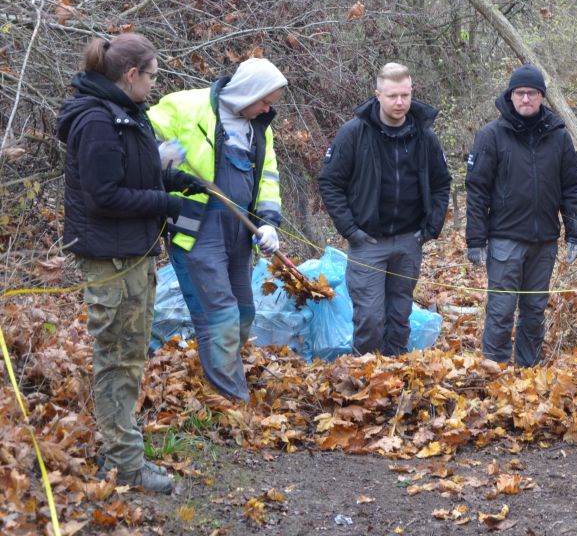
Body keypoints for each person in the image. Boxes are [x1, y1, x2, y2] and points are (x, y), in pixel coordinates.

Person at [58, 33, 205, 493]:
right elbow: (104, 197)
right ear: (130, 75)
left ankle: (118, 450)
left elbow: (131, 173)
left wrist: (174, 178)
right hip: (112, 262)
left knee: (130, 358)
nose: (154, 85)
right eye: (152, 76)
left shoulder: (127, 114)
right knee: (117, 361)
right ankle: (125, 465)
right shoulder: (97, 121)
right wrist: (165, 203)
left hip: (135, 255)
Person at [148, 58, 288, 403]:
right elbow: (136, 141)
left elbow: (268, 178)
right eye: (264, 101)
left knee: (243, 314)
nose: (267, 109)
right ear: (248, 92)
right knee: (220, 317)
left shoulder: (260, 128)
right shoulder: (185, 105)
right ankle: (230, 401)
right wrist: (159, 154)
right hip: (196, 227)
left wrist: (269, 223)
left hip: (240, 231)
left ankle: (220, 375)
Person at [318, 63, 451, 356]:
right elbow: (329, 183)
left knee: (399, 315)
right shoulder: (354, 134)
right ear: (378, 94)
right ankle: (362, 374)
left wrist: (431, 227)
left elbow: (442, 183)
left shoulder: (424, 137)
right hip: (368, 241)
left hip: (409, 240)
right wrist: (351, 231)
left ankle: (394, 375)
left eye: (405, 95)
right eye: (392, 96)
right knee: (369, 318)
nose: (400, 102)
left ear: (412, 93)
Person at [465, 65, 577, 367]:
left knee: (534, 310)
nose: (526, 99)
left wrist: (574, 231)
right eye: (520, 94)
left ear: (542, 97)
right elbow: (477, 190)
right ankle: (495, 369)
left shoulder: (558, 137)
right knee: (501, 310)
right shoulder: (491, 136)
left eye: (532, 94)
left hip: (544, 239)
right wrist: (476, 239)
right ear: (511, 96)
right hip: (505, 238)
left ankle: (528, 371)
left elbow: (570, 187)